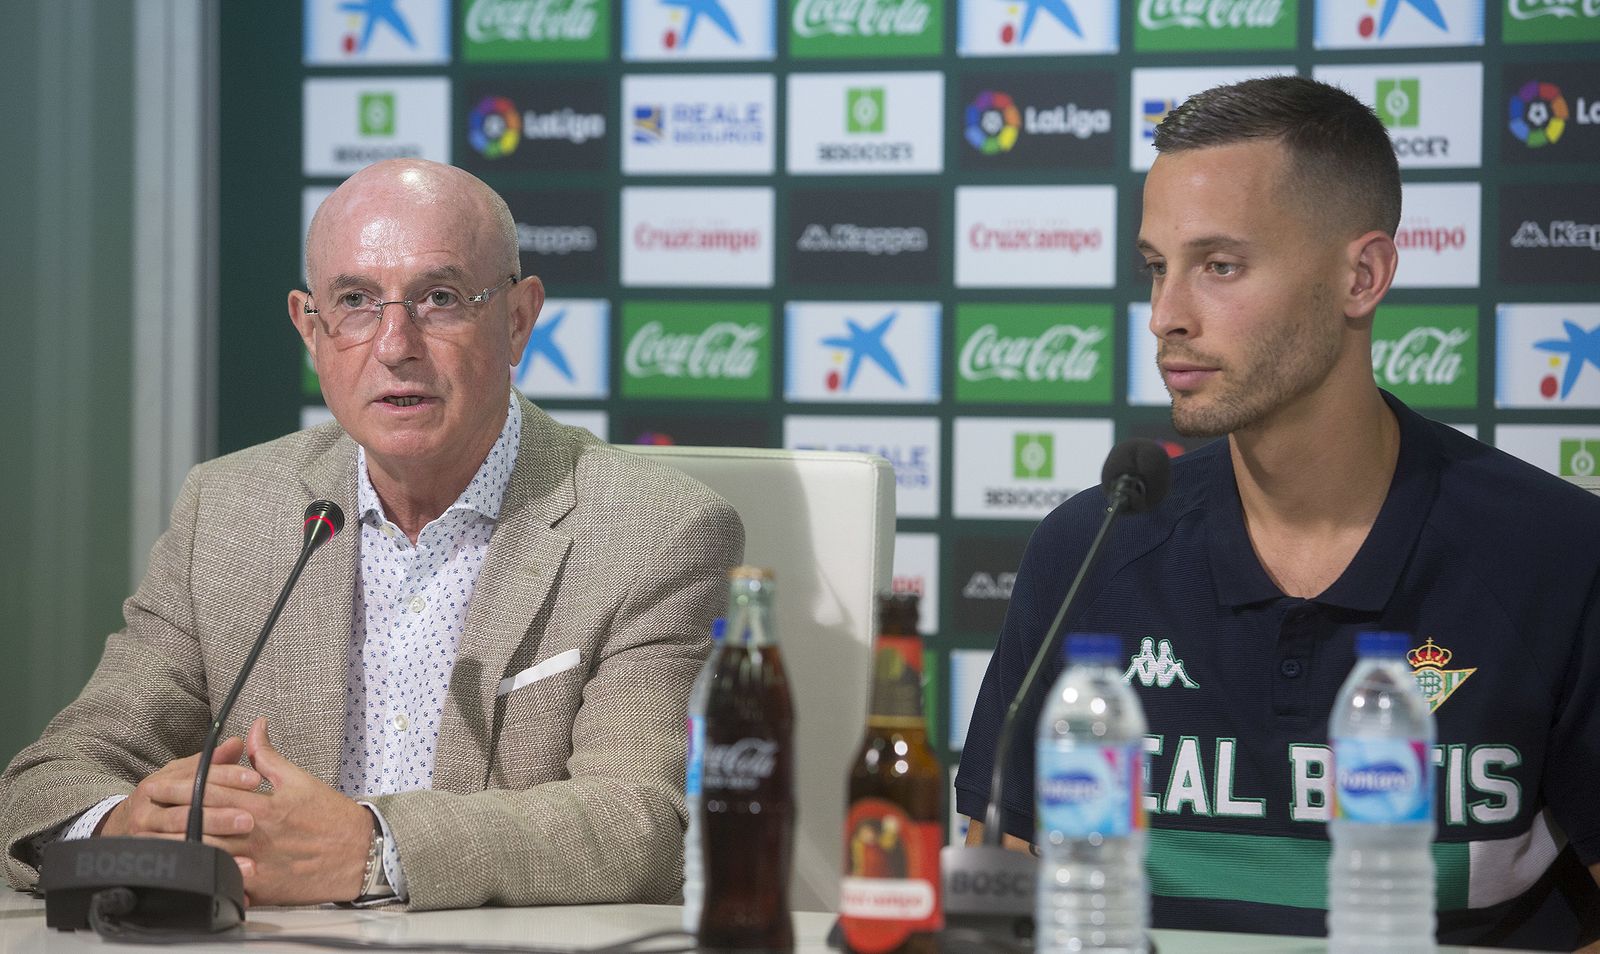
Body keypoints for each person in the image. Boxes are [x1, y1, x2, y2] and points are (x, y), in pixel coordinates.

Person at [954, 76, 1600, 950]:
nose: (1166, 317)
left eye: (1220, 266)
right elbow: (1005, 878)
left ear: (1361, 277)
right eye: (1157, 267)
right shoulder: (1091, 545)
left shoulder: (1558, 555)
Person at [0, 158, 744, 910]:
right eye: (354, 301)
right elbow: (55, 774)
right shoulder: (228, 511)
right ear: (309, 327)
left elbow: (645, 819)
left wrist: (369, 850)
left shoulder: (654, 530)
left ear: (517, 320)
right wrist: (124, 824)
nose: (395, 344)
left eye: (440, 298)